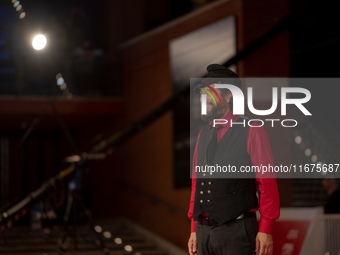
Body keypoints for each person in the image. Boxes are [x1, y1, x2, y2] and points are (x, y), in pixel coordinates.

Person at [187, 64, 280, 255]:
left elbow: (267, 183)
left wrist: (265, 229)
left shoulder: (252, 129)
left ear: (228, 96)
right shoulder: (202, 135)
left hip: (237, 231)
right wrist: (194, 228)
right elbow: (197, 184)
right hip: (203, 232)